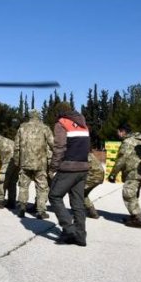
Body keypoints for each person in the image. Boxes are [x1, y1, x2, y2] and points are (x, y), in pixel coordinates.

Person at [48, 106, 91, 247]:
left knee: (54, 196)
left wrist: (53, 167)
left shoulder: (62, 123)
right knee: (78, 203)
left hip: (69, 168)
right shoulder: (82, 123)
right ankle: (80, 236)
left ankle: (69, 229)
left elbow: (59, 147)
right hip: (83, 167)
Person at [13, 109, 53, 219]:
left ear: (30, 116)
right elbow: (52, 143)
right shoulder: (45, 128)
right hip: (40, 164)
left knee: (23, 186)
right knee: (42, 187)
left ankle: (22, 207)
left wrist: (17, 161)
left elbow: (16, 147)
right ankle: (40, 211)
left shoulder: (22, 128)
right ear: (39, 116)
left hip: (24, 163)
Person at [108, 124, 141, 228]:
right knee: (133, 194)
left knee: (128, 193)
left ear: (122, 131)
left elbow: (121, 159)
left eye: (118, 132)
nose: (117, 134)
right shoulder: (139, 140)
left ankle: (138, 219)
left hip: (134, 171)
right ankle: (134, 215)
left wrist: (113, 174)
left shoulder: (128, 142)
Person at [83, 152, 105, 220]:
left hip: (93, 176)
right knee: (82, 193)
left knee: (76, 192)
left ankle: (91, 212)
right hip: (98, 175)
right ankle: (92, 212)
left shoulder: (80, 153)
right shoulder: (86, 151)